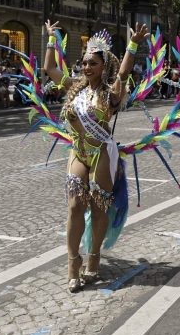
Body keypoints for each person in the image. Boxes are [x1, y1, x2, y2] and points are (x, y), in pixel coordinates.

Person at [43, 19, 148, 293]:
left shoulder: (110, 94)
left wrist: (133, 44)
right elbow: (49, 68)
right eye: (84, 63)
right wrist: (51, 38)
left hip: (102, 153)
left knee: (99, 208)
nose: (86, 67)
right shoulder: (75, 88)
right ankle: (72, 263)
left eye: (92, 63)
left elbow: (123, 74)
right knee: (76, 206)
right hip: (79, 152)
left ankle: (94, 257)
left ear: (103, 67)